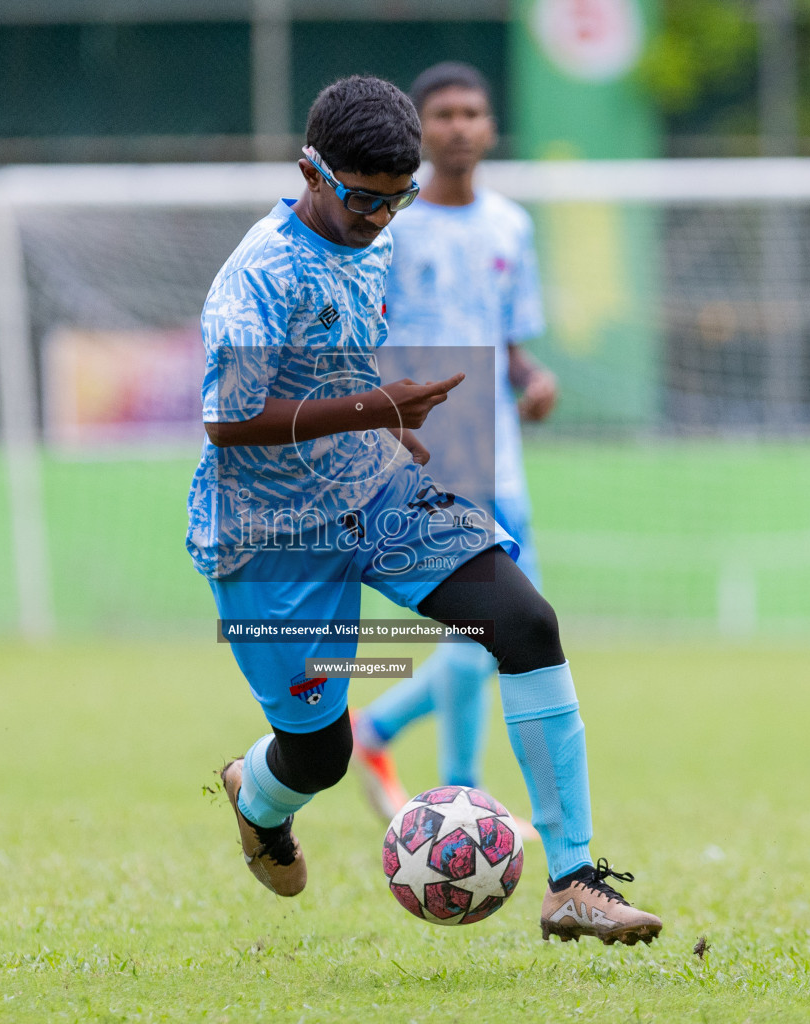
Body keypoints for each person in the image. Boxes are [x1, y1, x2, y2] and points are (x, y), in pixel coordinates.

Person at [189, 74, 661, 945]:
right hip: (272, 537)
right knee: (319, 756)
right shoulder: (256, 274)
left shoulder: (378, 236)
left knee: (525, 622)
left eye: (396, 199)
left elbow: (334, 352)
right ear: (309, 169)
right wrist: (377, 409)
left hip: (375, 494)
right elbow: (228, 422)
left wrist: (380, 425)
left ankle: (574, 882)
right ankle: (256, 797)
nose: (378, 217)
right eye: (361, 198)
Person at [350, 63, 559, 838]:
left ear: (490, 127)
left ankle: (375, 732)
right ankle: (463, 798)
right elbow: (365, 342)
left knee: (516, 625)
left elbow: (511, 346)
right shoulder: (391, 231)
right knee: (491, 626)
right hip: (427, 452)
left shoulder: (511, 226)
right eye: (442, 114)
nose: (459, 126)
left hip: (498, 452)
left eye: (473, 111)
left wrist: (534, 381)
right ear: (420, 129)